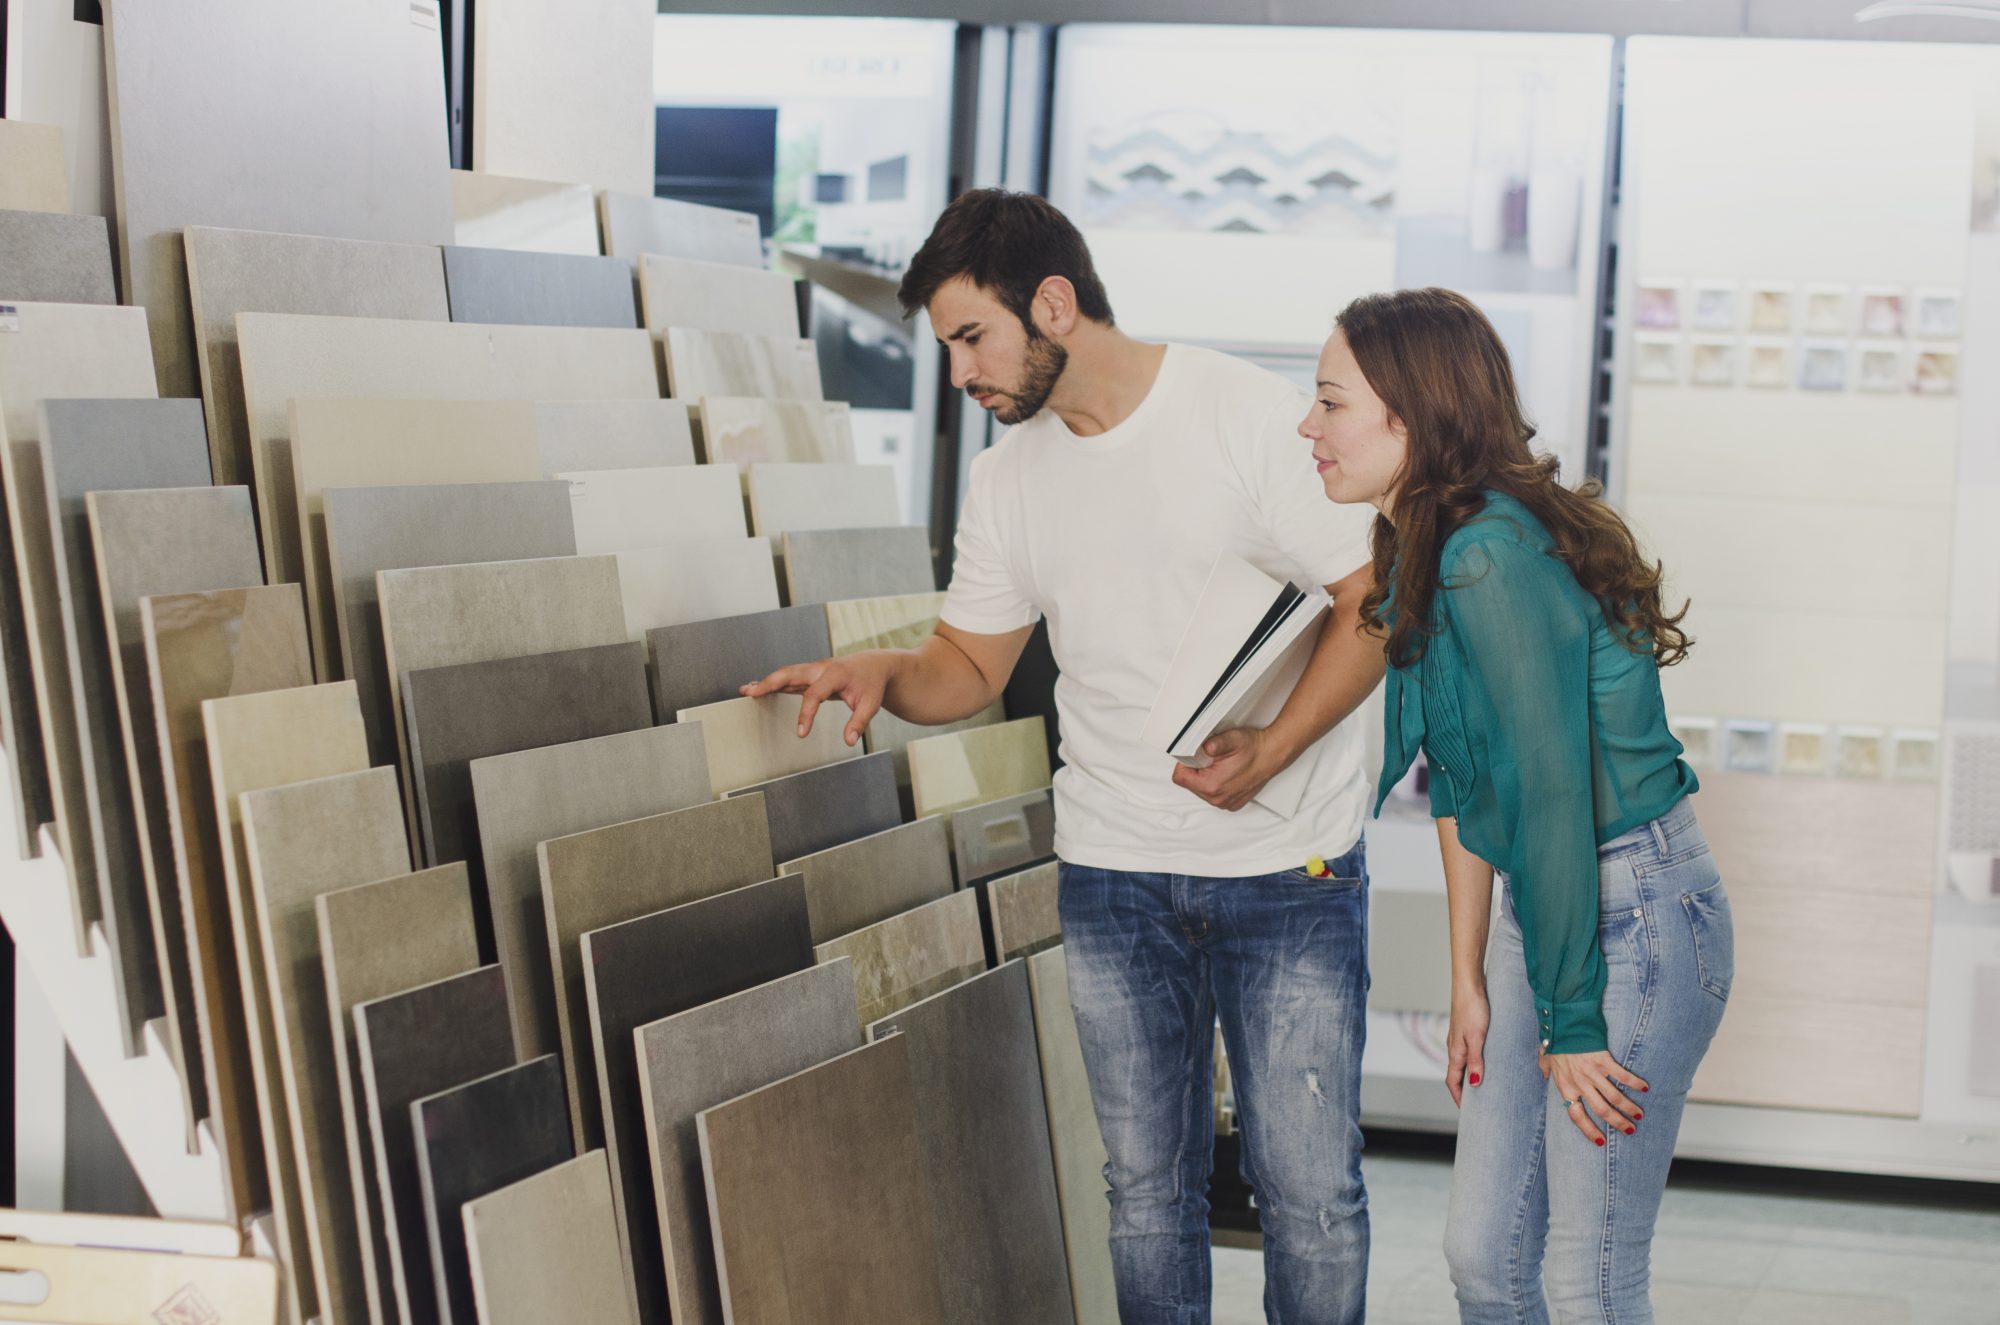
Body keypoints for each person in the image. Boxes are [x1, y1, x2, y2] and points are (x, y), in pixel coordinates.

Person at [745, 189, 1383, 1324]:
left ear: (1053, 304)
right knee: (1143, 1193)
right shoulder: (1007, 478)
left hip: (1290, 871)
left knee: (1308, 1194)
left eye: (969, 338)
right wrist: (883, 672)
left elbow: (1372, 597)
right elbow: (968, 666)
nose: (957, 375)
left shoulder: (1243, 415)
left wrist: (1273, 748)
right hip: (1110, 872)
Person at [1302, 287, 1733, 1324]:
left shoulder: (1485, 553)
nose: (1307, 427)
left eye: (1328, 401)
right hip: (1545, 909)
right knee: (1483, 1257)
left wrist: (1571, 1017)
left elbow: (1546, 792)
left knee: (1580, 1277)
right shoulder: (1417, 544)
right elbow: (1461, 774)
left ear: (1408, 413)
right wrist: (1465, 975)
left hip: (1630, 914)